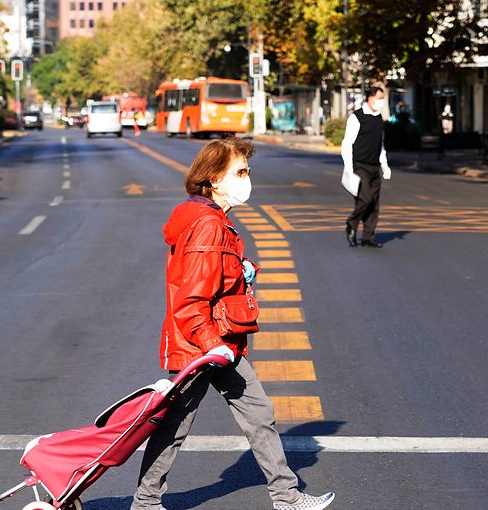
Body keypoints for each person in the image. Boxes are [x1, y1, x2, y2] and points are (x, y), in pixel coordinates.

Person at [131, 137, 335, 510]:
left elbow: (213, 279)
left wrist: (244, 271)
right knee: (175, 426)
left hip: (216, 342)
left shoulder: (209, 218)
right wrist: (213, 345)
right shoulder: (208, 225)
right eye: (239, 172)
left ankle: (286, 496)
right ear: (214, 179)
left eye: (247, 171)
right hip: (203, 346)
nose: (246, 179)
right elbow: (191, 300)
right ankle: (145, 503)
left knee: (259, 415)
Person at [341, 86, 392, 248]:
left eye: (382, 99)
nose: (381, 102)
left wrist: (384, 165)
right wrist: (348, 167)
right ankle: (351, 223)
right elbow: (347, 143)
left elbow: (381, 144)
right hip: (360, 165)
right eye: (379, 98)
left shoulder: (379, 119)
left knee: (374, 203)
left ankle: (368, 237)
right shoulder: (357, 118)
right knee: (365, 198)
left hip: (374, 165)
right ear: (370, 98)